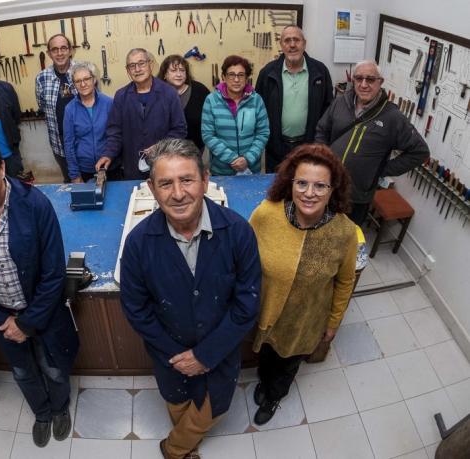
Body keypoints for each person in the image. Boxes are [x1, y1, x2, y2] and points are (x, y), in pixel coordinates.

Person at [120, 138, 261, 459]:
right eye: (166, 183)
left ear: (206, 180)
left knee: (214, 408)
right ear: (152, 189)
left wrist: (205, 355)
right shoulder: (138, 244)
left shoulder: (238, 232)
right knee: (178, 402)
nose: (178, 193)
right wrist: (178, 356)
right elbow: (136, 310)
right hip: (169, 357)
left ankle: (174, 450)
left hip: (220, 354)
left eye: (187, 180)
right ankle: (188, 449)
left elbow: (247, 303)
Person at [0, 137, 78, 448]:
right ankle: (42, 413)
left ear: (2, 168)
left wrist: (27, 323)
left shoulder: (36, 205)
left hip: (43, 313)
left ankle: (60, 408)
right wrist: (2, 320)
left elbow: (53, 274)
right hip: (3, 319)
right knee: (22, 372)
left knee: (53, 367)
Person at [248, 144, 357, 426]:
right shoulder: (267, 214)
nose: (309, 193)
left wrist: (333, 323)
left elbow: (345, 281)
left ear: (333, 189)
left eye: (320, 185)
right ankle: (263, 382)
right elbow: (244, 257)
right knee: (267, 355)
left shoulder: (344, 232)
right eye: (302, 183)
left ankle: (273, 396)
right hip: (267, 312)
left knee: (287, 366)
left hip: (306, 321)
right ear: (290, 183)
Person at [315, 60, 430, 225]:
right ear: (353, 80)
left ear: (380, 82)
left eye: (370, 79)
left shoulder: (392, 117)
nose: (363, 84)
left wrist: (381, 170)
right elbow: (321, 130)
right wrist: (321, 158)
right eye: (359, 78)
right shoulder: (341, 102)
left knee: (347, 240)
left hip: (356, 195)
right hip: (326, 184)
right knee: (318, 230)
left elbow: (420, 152)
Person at [96, 48, 187, 180]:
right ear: (128, 70)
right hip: (132, 169)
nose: (137, 69)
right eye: (132, 66)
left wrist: (160, 147)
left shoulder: (169, 94)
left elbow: (180, 130)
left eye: (141, 63)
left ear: (150, 65)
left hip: (164, 165)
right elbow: (115, 132)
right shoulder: (121, 96)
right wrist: (108, 154)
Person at [255, 26, 333, 172]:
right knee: (278, 188)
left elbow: (328, 109)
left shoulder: (320, 71)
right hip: (276, 149)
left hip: (309, 146)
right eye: (287, 40)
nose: (292, 45)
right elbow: (258, 110)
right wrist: (268, 141)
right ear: (281, 45)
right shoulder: (267, 73)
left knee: (305, 187)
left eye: (296, 40)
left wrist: (319, 142)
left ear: (304, 43)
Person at [201, 55, 269, 176]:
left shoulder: (256, 100)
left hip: (251, 170)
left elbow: (263, 133)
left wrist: (247, 159)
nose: (236, 80)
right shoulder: (211, 100)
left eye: (241, 75)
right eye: (231, 75)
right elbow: (208, 135)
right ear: (223, 77)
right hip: (221, 172)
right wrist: (232, 158)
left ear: (247, 78)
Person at [62, 61, 115, 182]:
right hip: (84, 170)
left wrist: (110, 156)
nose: (83, 84)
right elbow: (69, 144)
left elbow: (115, 136)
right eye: (78, 81)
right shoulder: (70, 109)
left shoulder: (109, 103)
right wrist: (74, 175)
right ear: (74, 84)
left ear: (94, 80)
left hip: (110, 167)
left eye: (86, 79)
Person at [35, 34, 78, 182]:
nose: (59, 53)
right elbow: (41, 104)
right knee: (69, 180)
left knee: (91, 180)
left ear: (70, 50)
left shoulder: (83, 72)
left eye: (63, 48)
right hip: (59, 141)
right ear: (49, 53)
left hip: (85, 139)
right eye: (55, 49)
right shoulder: (41, 78)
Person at [158, 55, 210, 152]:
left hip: (195, 150)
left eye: (182, 70)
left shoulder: (200, 90)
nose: (179, 74)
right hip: (165, 150)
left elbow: (211, 119)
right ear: (165, 74)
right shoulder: (157, 94)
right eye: (173, 71)